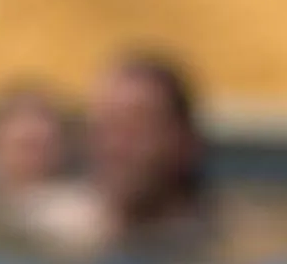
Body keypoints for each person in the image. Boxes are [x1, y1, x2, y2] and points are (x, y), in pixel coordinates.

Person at [85, 51, 213, 251]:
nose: (115, 147)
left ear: (185, 143)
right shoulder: (64, 232)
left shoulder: (231, 246)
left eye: (135, 129)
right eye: (106, 127)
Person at [0, 85, 108, 254]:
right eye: (21, 147)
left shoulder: (75, 214)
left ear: (62, 149)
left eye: (33, 147)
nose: (27, 161)